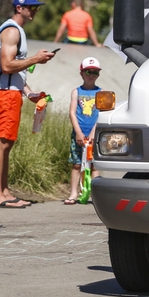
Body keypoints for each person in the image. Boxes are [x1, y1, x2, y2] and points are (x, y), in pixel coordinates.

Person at [0, 0, 56, 209]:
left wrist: (28, 93)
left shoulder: (16, 31)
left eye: (36, 7)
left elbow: (14, 71)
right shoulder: (11, 31)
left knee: (7, 143)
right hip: (5, 94)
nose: (35, 10)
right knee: (0, 143)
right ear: (19, 8)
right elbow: (7, 66)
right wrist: (36, 58)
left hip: (12, 92)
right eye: (32, 7)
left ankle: (4, 191)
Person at [65, 57, 102, 205]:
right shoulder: (76, 92)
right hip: (79, 133)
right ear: (82, 73)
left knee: (94, 165)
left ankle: (95, 194)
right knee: (76, 164)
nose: (91, 75)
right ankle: (74, 192)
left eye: (95, 72)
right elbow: (72, 112)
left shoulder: (101, 92)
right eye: (88, 71)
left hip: (95, 134)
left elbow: (102, 114)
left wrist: (94, 133)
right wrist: (78, 132)